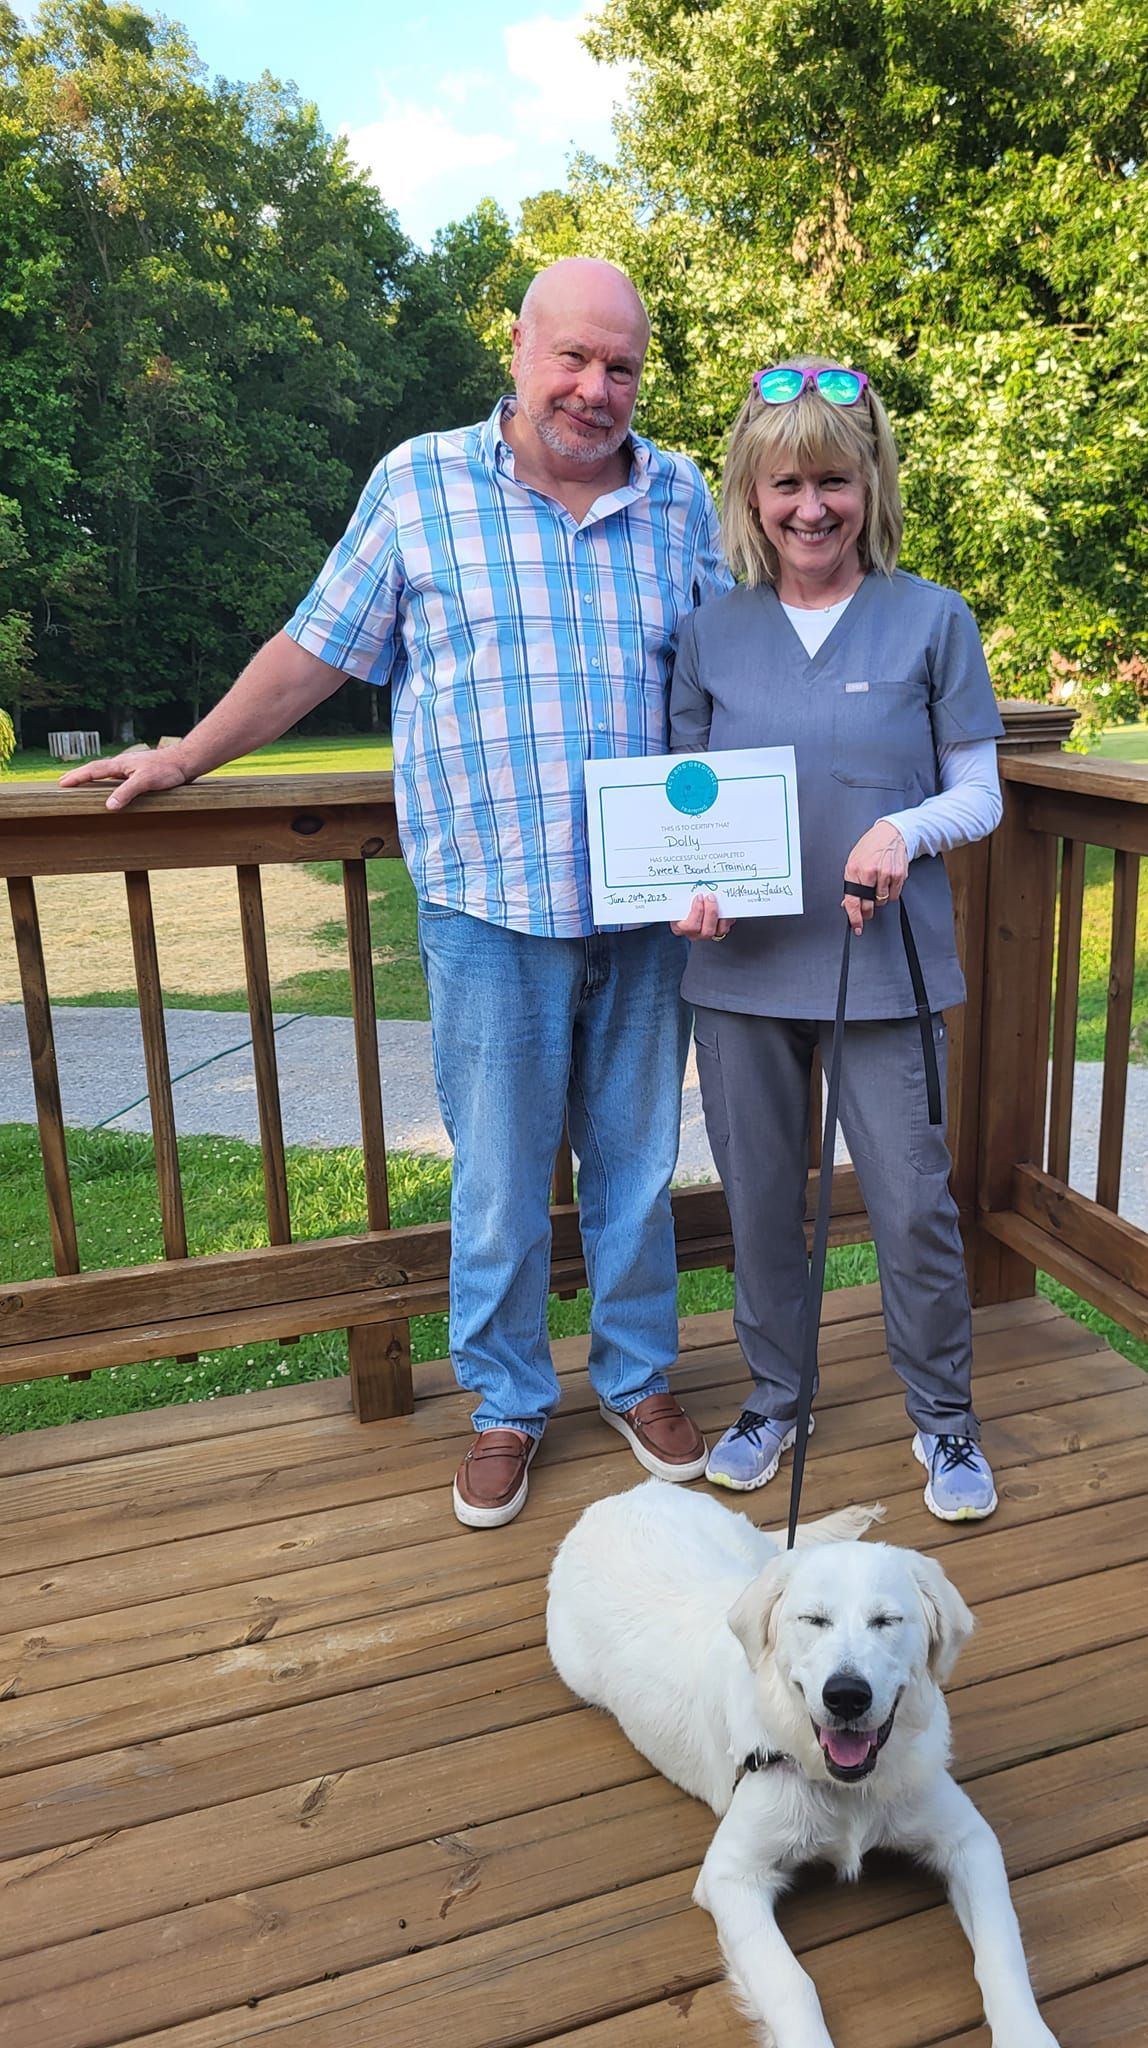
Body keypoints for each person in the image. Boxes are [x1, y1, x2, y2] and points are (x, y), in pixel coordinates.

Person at [63, 257, 732, 1530]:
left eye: (623, 366)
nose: (596, 388)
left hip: (650, 909)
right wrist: (188, 752)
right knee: (494, 1177)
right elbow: (315, 647)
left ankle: (638, 1378)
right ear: (519, 350)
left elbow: (734, 665)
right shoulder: (418, 485)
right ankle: (505, 1402)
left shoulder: (685, 494)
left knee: (639, 1168)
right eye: (573, 358)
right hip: (490, 901)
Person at [669, 359, 1006, 1522]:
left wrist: (903, 830)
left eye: (833, 480)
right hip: (743, 970)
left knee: (912, 1199)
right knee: (761, 1194)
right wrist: (692, 886)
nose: (810, 507)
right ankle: (777, 1393)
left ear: (871, 483)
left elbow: (981, 792)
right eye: (785, 484)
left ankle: (945, 1418)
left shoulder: (933, 617)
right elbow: (686, 799)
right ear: (750, 498)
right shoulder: (710, 635)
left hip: (886, 958)